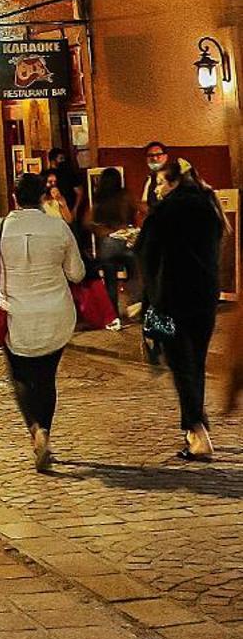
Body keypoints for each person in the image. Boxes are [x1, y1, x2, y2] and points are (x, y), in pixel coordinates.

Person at [0, 171, 85, 472]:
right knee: (47, 376)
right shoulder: (59, 228)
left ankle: (35, 429)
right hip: (54, 313)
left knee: (20, 376)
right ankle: (46, 431)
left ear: (14, 198)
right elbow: (76, 272)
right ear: (42, 197)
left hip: (16, 316)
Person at [134, 157, 225, 460]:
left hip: (170, 300)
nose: (157, 189)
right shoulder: (209, 207)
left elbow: (147, 258)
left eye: (160, 182)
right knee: (195, 364)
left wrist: (148, 307)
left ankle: (197, 433)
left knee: (181, 367)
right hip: (205, 297)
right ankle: (196, 427)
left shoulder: (166, 213)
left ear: (173, 182)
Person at [90, 166, 140, 327]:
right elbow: (140, 209)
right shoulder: (125, 196)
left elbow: (87, 221)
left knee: (110, 281)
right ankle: (135, 308)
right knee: (135, 274)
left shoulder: (99, 199)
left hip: (107, 242)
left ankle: (113, 315)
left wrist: (102, 230)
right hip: (125, 240)